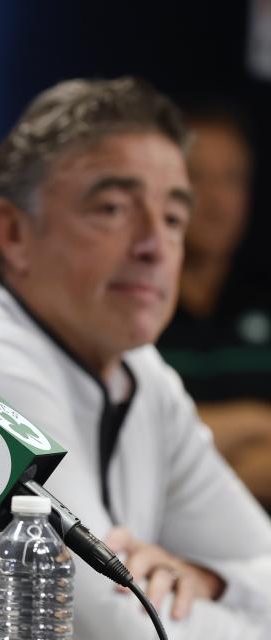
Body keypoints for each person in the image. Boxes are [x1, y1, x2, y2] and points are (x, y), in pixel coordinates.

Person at [0, 77, 271, 639]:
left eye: (173, 218)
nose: (154, 246)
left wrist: (211, 581)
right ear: (12, 232)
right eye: (113, 208)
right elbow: (106, 635)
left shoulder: (140, 373)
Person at [156, 102, 271, 509]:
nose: (217, 201)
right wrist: (255, 421)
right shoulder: (131, 307)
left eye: (232, 179)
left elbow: (154, 465)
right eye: (198, 177)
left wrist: (172, 478)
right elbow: (135, 445)